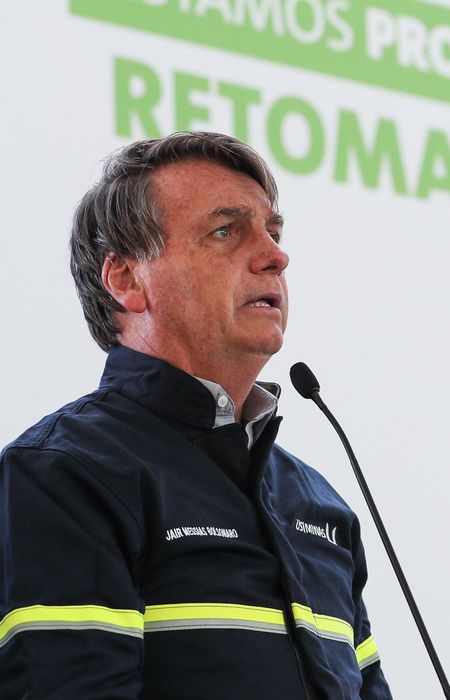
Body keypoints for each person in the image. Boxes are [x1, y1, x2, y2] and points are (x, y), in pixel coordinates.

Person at [0, 132, 393, 699]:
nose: (275, 255)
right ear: (127, 279)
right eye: (225, 231)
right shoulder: (64, 475)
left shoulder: (321, 504)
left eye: (273, 233)